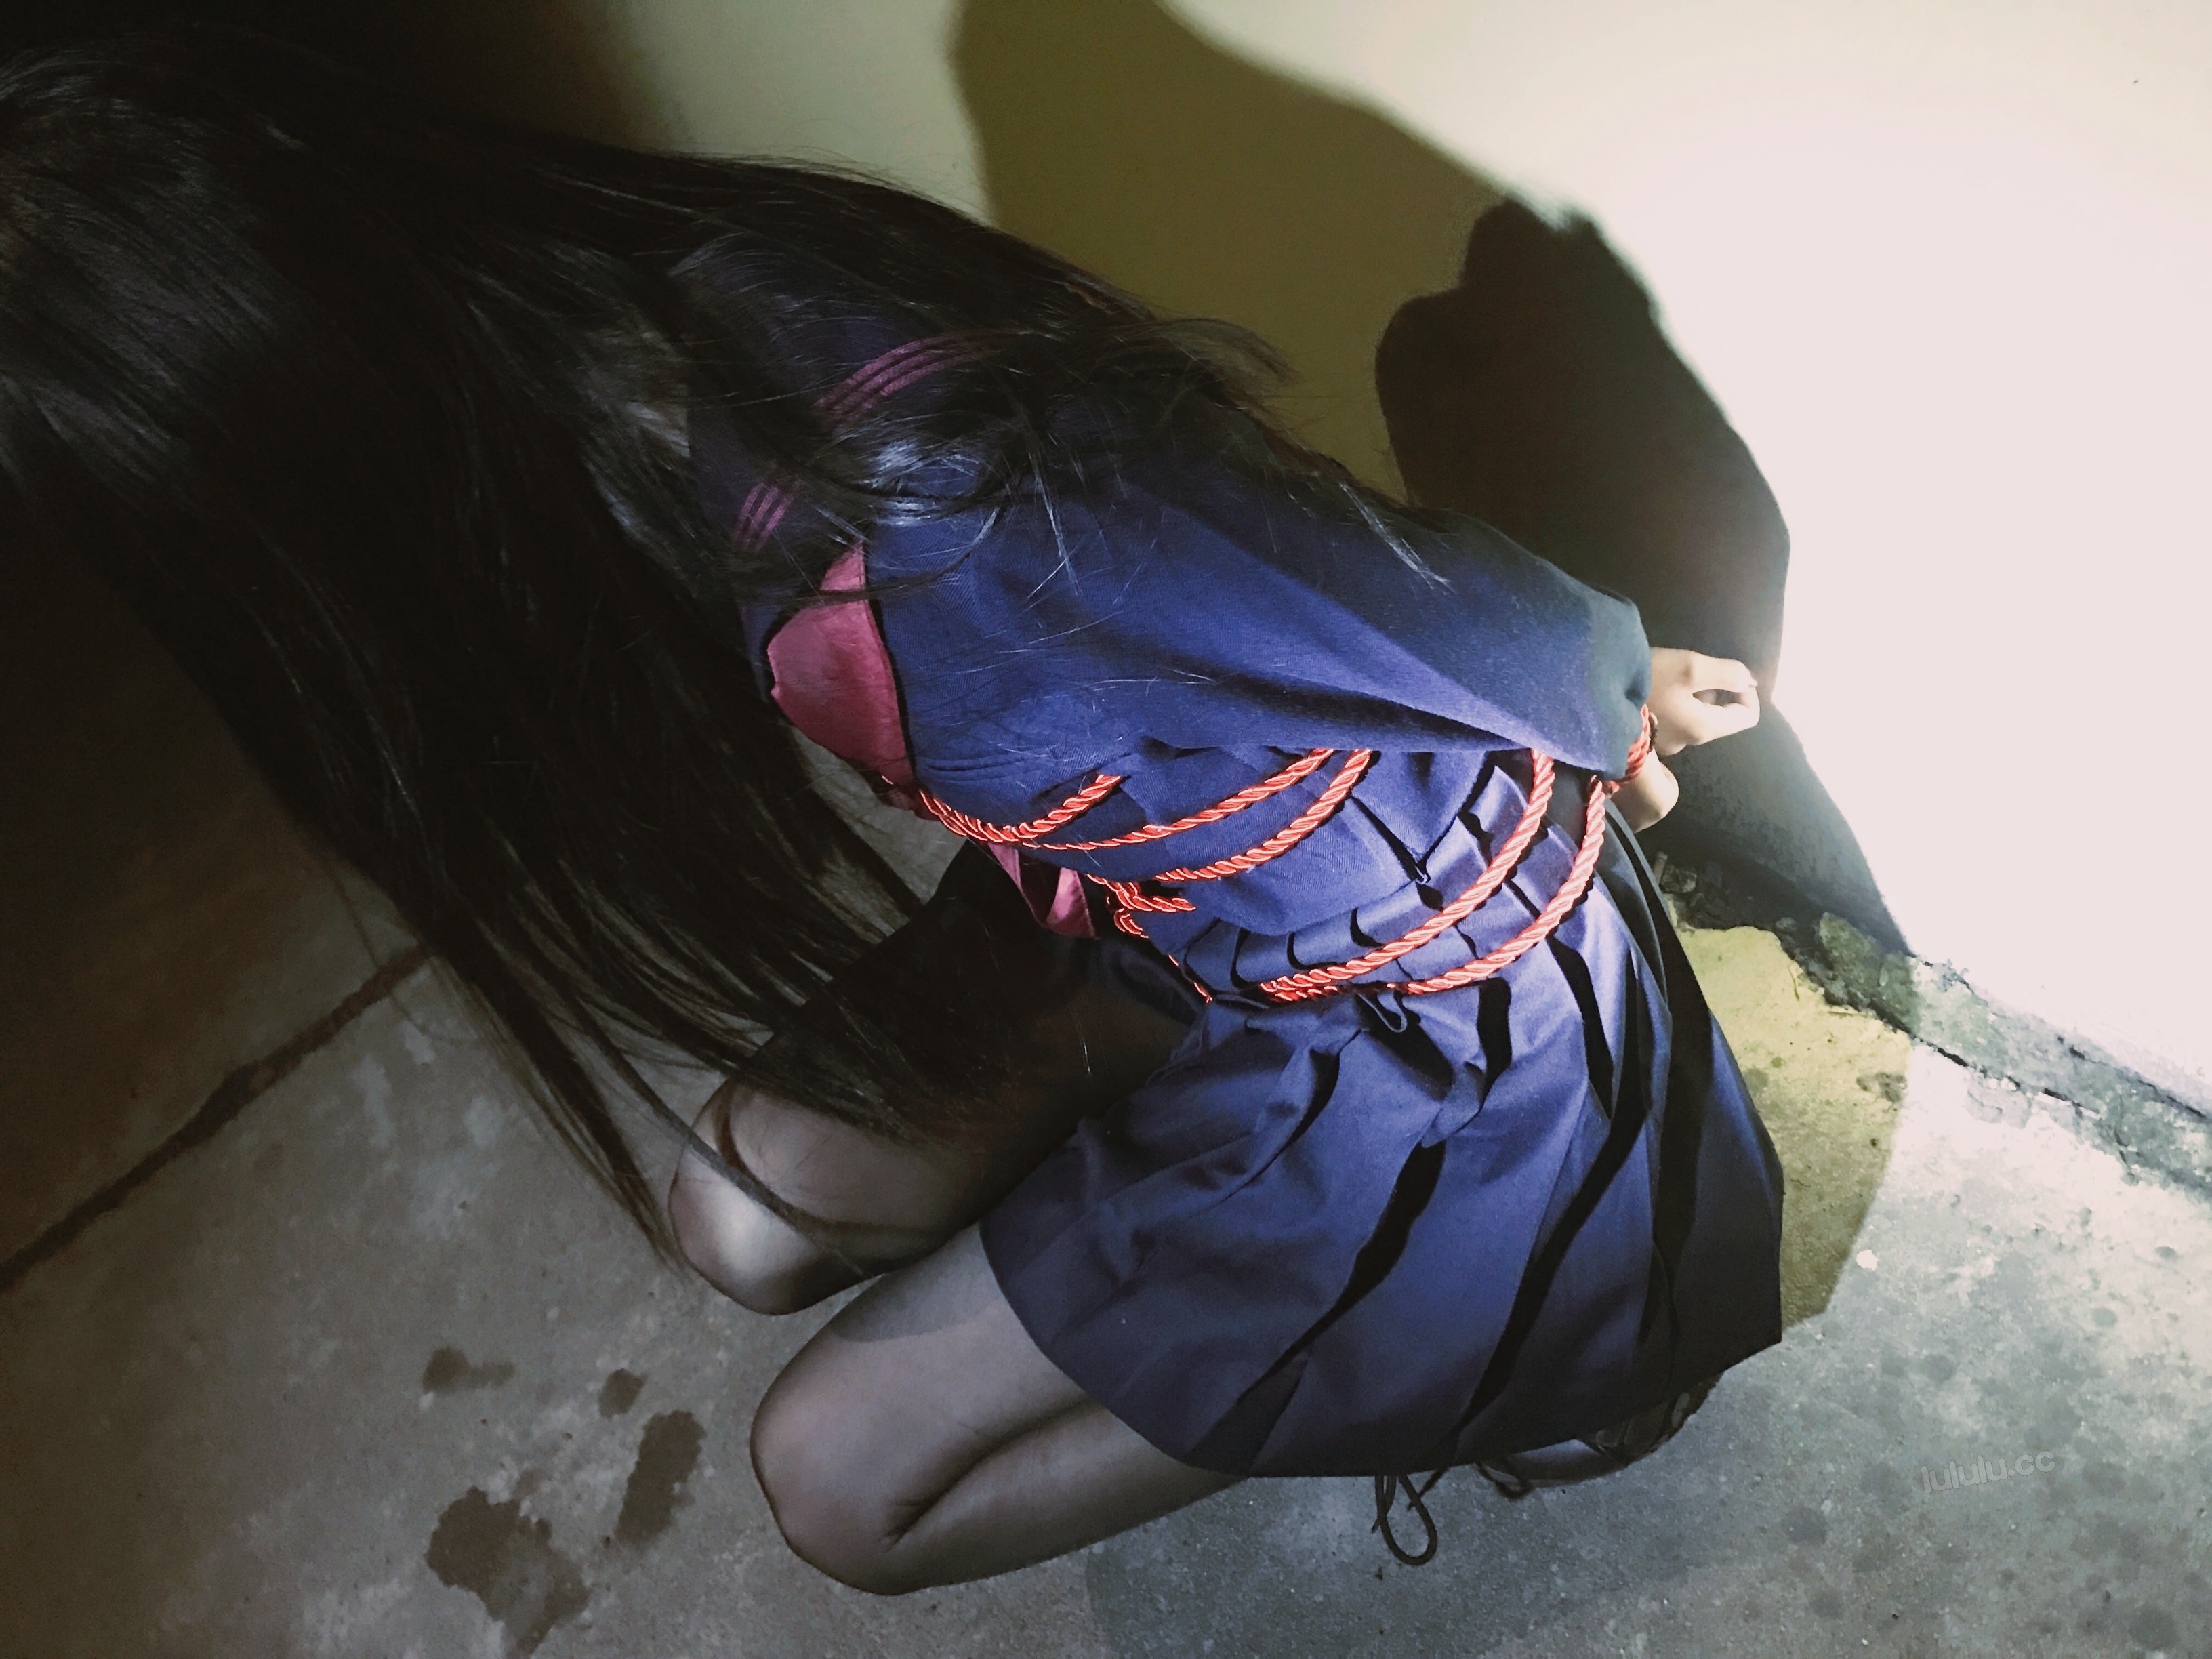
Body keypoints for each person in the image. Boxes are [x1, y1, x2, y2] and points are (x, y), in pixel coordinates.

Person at [0, 25, 1781, 1595]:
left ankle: (1501, 1334)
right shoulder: (610, 389)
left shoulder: (932, 478)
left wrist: (1606, 687)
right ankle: (1216, 1183)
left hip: (1407, 988)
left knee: (843, 1487)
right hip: (1138, 902)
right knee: (738, 1216)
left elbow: (1329, 567)